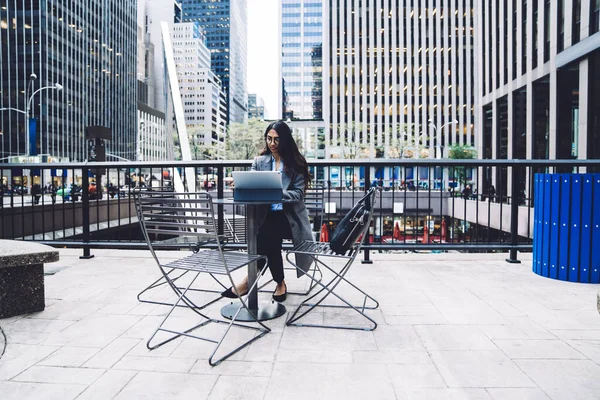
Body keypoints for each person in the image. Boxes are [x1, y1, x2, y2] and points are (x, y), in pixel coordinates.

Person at [221, 120, 314, 302]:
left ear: (285, 140)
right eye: (269, 139)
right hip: (266, 217)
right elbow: (253, 186)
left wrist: (275, 193)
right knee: (269, 234)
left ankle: (250, 278)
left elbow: (297, 194)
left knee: (267, 232)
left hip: (290, 220)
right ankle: (279, 283)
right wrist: (239, 185)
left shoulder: (296, 164)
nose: (272, 143)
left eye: (277, 140)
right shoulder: (259, 162)